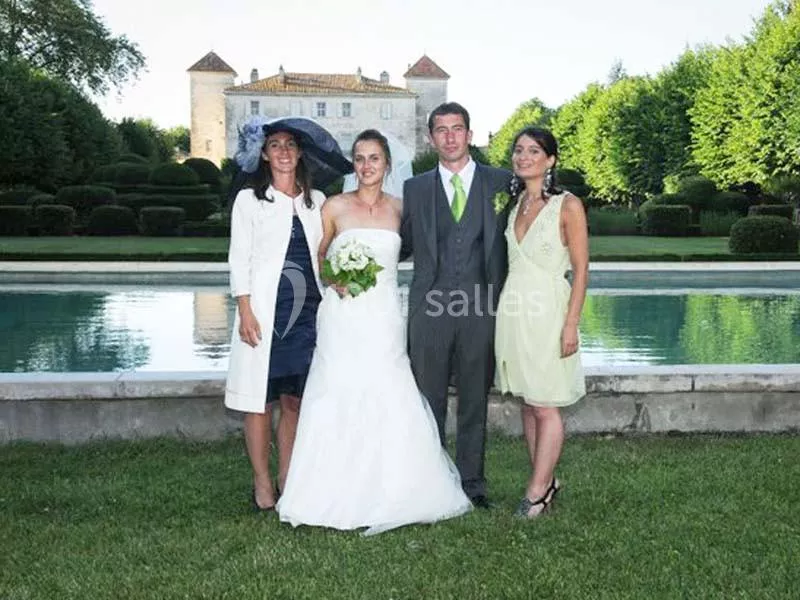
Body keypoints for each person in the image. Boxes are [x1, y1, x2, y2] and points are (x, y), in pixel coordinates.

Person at [277, 129, 472, 535]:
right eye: (360, 158)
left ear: (387, 165)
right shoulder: (333, 206)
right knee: (337, 389)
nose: (366, 166)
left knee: (389, 389)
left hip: (383, 316)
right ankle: (329, 491)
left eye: (374, 158)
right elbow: (319, 256)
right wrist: (334, 278)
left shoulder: (401, 209)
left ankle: (397, 490)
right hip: (342, 317)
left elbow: (428, 251)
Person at [400, 102, 512, 508]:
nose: (450, 137)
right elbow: (399, 244)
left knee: (474, 399)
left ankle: (472, 485)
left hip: (481, 307)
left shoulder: (502, 182)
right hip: (429, 308)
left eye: (457, 128)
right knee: (427, 401)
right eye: (441, 130)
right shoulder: (414, 189)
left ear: (469, 134)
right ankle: (430, 483)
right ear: (431, 137)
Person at [225, 124, 326, 512]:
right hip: (265, 314)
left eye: (290, 145)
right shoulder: (249, 200)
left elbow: (326, 253)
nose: (284, 151)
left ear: (300, 153)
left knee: (294, 400)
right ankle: (261, 481)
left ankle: (287, 476)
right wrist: (245, 309)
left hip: (307, 315)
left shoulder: (317, 201)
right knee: (259, 402)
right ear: (264, 154)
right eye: (275, 145)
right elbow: (239, 258)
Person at [494, 127, 588, 518]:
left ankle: (536, 493)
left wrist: (570, 324)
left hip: (549, 310)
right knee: (529, 402)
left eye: (534, 151)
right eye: (519, 150)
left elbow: (581, 269)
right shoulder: (514, 205)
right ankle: (545, 480)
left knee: (546, 404)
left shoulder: (568, 205)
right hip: (514, 311)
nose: (524, 157)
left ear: (550, 159)